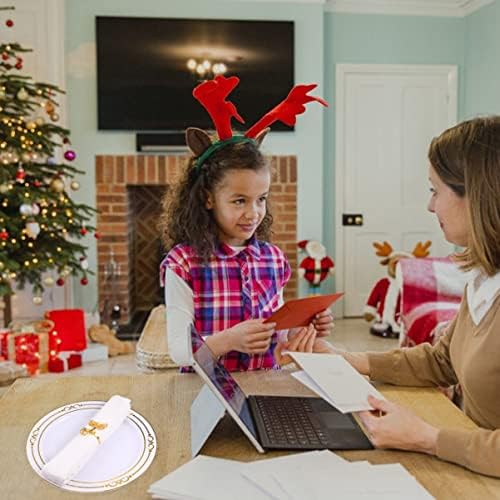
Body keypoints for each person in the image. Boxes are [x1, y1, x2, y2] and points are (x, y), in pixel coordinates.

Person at [279, 116, 500, 477]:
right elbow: (442, 360)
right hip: (468, 464)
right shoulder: (483, 279)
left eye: (435, 190)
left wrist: (427, 438)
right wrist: (350, 360)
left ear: (476, 195)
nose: (430, 206)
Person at [159, 75, 332, 371]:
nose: (253, 213)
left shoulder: (273, 259)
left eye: (261, 199)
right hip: (209, 391)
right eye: (239, 201)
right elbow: (178, 350)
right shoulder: (183, 263)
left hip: (264, 385)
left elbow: (277, 334)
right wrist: (228, 340)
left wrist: (302, 327)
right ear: (208, 198)